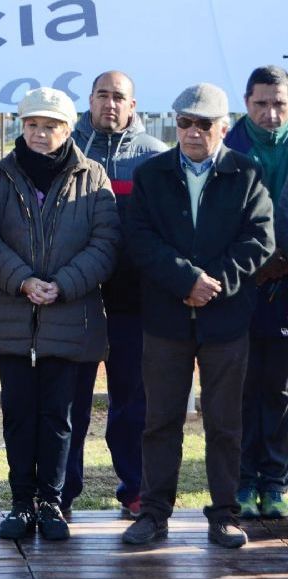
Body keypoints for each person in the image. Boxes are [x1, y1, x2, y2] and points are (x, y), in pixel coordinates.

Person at [122, 84, 274, 549]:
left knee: (225, 422)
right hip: (166, 320)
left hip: (225, 320)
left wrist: (215, 283)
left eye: (202, 124)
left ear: (223, 128)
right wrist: (184, 280)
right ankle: (153, 514)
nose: (191, 132)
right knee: (160, 420)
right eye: (184, 122)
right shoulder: (151, 175)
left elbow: (259, 240)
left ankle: (224, 515)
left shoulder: (246, 172)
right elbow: (139, 238)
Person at [0, 87, 120, 541]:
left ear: (68, 129)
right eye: (32, 124)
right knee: (17, 412)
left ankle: (51, 503)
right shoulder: (0, 176)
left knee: (59, 415)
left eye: (50, 125)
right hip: (12, 313)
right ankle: (19, 503)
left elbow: (105, 244)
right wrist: (23, 281)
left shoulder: (94, 178)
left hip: (71, 315)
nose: (39, 133)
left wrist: (64, 284)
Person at [64, 71, 168, 517]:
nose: (109, 103)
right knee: (71, 402)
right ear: (89, 99)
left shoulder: (157, 156)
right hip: (79, 296)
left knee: (133, 401)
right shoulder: (66, 149)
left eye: (118, 96)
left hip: (135, 301)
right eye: (102, 95)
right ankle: (60, 493)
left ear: (133, 104)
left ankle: (136, 490)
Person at [224, 65, 288, 520]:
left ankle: (275, 481)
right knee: (242, 387)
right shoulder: (226, 146)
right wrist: (254, 264)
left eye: (279, 104)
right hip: (240, 286)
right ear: (246, 102)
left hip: (286, 287)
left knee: (280, 389)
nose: (270, 113)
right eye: (261, 103)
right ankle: (243, 482)